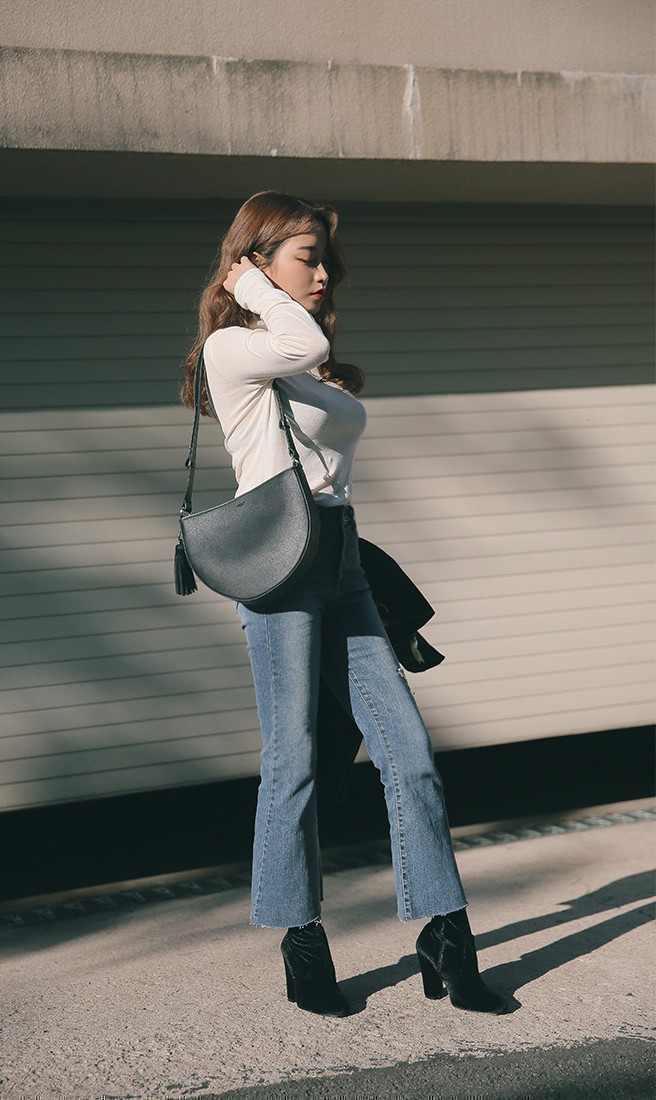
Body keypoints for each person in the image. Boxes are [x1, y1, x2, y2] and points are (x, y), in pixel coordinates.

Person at [180, 191, 507, 1017]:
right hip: (279, 568)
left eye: (325, 257)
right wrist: (249, 285)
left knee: (411, 748)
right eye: (305, 256)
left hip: (342, 558)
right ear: (255, 263)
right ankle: (301, 939)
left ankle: (446, 936)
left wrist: (290, 320)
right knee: (291, 756)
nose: (324, 272)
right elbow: (300, 338)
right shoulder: (237, 346)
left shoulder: (297, 358)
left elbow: (323, 409)